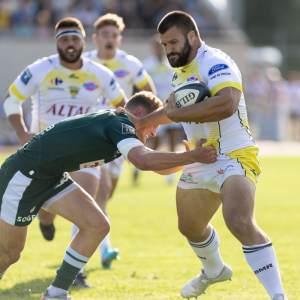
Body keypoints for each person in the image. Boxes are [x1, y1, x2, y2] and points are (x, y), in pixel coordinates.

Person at [116, 11, 288, 300]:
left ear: (192, 37)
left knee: (239, 221)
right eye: (164, 44)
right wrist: (140, 121)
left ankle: (278, 296)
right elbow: (176, 112)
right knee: (190, 227)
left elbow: (227, 103)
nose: (168, 49)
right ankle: (214, 270)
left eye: (173, 41)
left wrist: (174, 113)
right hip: (198, 158)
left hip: (234, 154)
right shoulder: (179, 72)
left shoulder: (216, 61)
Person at [0, 91, 217, 300]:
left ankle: (56, 294)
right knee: (10, 253)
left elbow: (153, 163)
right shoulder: (120, 123)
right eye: (155, 125)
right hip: (25, 175)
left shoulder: (121, 125)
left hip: (49, 175)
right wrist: (191, 155)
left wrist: (191, 158)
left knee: (97, 225)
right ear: (140, 112)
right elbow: (144, 161)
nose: (154, 133)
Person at [3, 17, 126, 287]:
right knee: (46, 213)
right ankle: (46, 220)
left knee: (88, 208)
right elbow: (11, 99)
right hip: (45, 154)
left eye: (74, 39)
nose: (70, 44)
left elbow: (123, 106)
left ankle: (75, 272)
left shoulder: (101, 73)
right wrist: (23, 133)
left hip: (84, 154)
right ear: (57, 42)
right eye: (64, 39)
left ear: (83, 41)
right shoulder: (40, 69)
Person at [83, 13, 156, 269]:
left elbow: (149, 93)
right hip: (92, 134)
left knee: (107, 193)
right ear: (95, 38)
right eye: (105, 35)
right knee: (99, 191)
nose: (110, 39)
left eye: (114, 35)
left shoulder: (130, 63)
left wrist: (144, 121)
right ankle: (101, 251)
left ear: (120, 38)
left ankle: (100, 243)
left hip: (121, 137)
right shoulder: (85, 62)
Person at [143, 34, 184, 184]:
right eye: (157, 46)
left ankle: (171, 172)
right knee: (155, 140)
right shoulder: (147, 66)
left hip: (172, 105)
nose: (160, 49)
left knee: (174, 136)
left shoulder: (173, 64)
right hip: (155, 108)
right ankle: (139, 168)